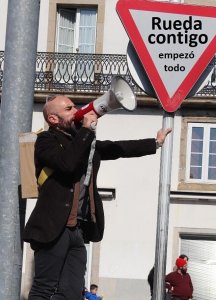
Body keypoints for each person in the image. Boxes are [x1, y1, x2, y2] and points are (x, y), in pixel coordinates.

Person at [23, 94, 172, 300]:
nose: (76, 111)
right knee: (44, 288)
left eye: (75, 106)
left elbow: (117, 148)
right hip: (53, 227)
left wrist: (155, 142)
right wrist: (85, 130)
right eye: (69, 109)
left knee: (72, 292)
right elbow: (68, 164)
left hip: (78, 230)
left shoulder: (85, 144)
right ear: (53, 119)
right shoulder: (46, 140)